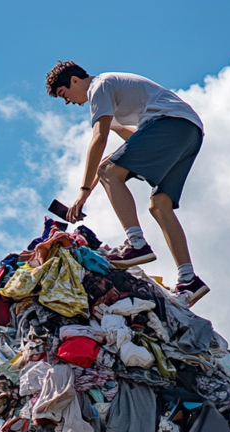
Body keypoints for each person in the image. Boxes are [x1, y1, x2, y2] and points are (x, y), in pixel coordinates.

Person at [46, 61, 210, 305]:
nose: (67, 101)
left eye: (63, 94)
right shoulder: (112, 99)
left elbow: (100, 140)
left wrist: (84, 190)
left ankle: (136, 243)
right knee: (159, 205)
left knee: (108, 170)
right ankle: (189, 280)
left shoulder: (99, 86)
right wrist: (84, 197)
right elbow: (130, 143)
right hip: (188, 132)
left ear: (74, 81)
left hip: (170, 123)